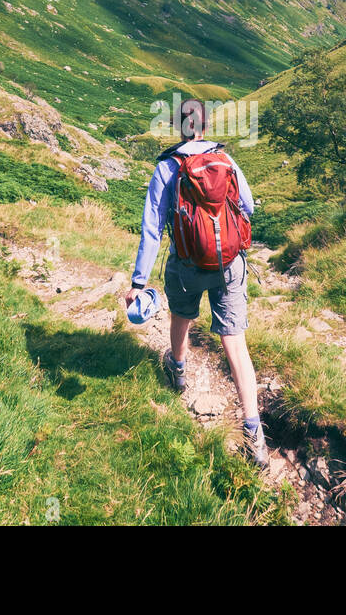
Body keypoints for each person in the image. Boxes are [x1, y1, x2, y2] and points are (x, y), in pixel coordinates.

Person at [124, 97, 267, 466]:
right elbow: (248, 206)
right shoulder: (225, 159)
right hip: (230, 264)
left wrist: (139, 283)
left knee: (182, 316)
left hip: (187, 264)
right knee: (235, 343)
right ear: (204, 127)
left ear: (178, 127)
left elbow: (152, 230)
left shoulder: (167, 167)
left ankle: (178, 369)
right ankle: (255, 433)